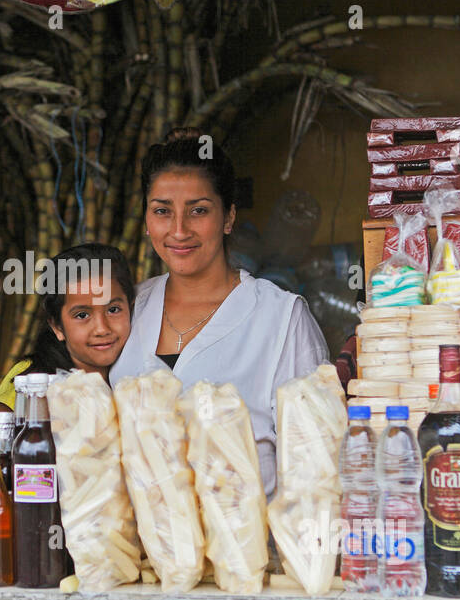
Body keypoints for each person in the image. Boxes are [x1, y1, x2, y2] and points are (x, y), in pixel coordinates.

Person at [108, 128, 330, 496]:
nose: (179, 231)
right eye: (162, 211)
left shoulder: (280, 319)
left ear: (228, 218)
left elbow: (316, 469)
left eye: (198, 211)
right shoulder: (123, 312)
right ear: (147, 220)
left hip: (249, 549)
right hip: (132, 550)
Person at [0, 242, 136, 418]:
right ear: (57, 326)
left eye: (113, 310)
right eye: (82, 315)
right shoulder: (33, 382)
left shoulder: (140, 375)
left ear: (131, 307)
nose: (102, 329)